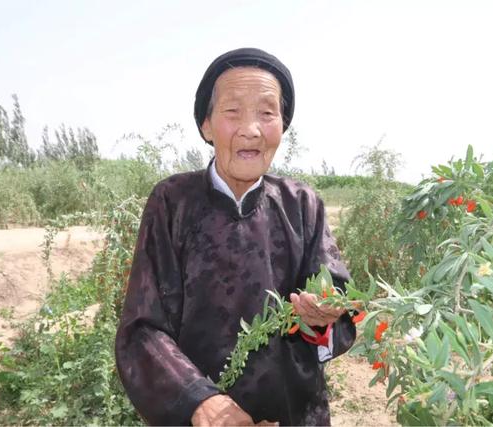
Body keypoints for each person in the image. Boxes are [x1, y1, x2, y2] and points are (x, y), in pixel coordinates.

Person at [115, 47, 356, 426]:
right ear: (206, 126)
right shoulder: (172, 202)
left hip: (293, 414)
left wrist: (321, 319)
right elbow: (142, 329)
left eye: (267, 113)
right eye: (232, 111)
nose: (251, 129)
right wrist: (199, 400)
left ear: (282, 125)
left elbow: (339, 305)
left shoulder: (302, 204)